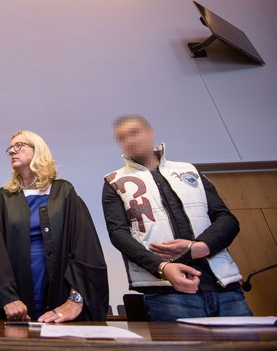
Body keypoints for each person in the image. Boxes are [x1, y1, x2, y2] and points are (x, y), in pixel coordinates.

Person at [102, 115, 252, 321]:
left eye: (134, 132)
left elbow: (226, 219)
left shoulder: (189, 170)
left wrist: (201, 247)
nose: (129, 140)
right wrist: (162, 267)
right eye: (122, 137)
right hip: (166, 292)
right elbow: (118, 234)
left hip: (224, 286)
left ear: (150, 132)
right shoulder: (114, 181)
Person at [0, 130, 109, 322]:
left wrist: (75, 299)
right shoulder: (3, 199)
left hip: (60, 294)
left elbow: (86, 248)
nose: (12, 152)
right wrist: (7, 297)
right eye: (10, 149)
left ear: (38, 149)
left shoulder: (64, 193)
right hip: (17, 296)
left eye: (19, 146)